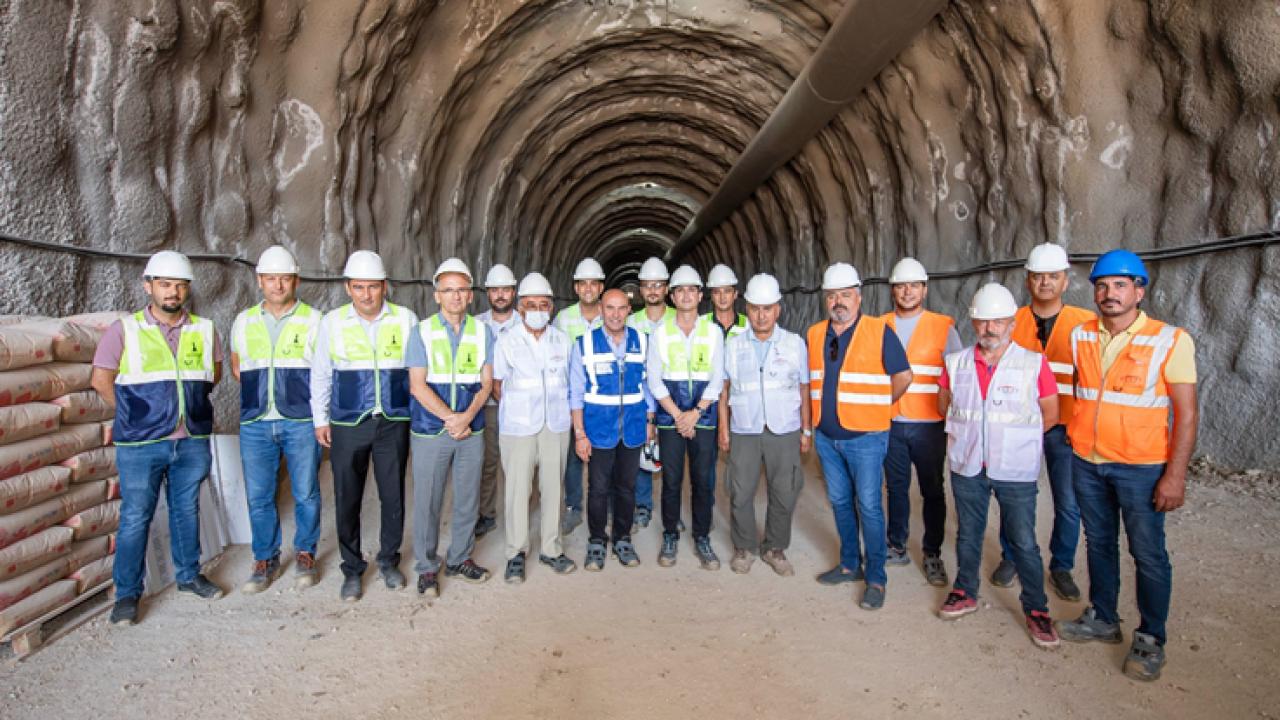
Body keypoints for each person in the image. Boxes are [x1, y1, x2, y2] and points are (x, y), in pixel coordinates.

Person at [1057, 250, 1198, 682]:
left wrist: (1175, 475)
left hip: (1141, 467)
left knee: (1148, 553)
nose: (1109, 293)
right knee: (1099, 543)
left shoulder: (1169, 340)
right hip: (1088, 461)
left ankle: (1151, 637)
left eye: (1120, 285)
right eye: (1102, 285)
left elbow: (1187, 414)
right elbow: (1084, 393)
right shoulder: (1081, 335)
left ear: (1139, 291)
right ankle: (1103, 617)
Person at [92, 251, 224, 626]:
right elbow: (101, 380)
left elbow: (212, 375)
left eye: (180, 285)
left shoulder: (205, 330)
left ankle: (189, 575)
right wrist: (134, 416)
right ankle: (127, 594)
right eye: (165, 284)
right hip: (141, 444)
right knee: (136, 517)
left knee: (186, 509)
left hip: (191, 438)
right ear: (148, 286)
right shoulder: (124, 330)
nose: (172, 292)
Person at [935, 283, 1061, 650]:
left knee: (1023, 541)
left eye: (998, 322)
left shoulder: (1032, 363)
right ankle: (965, 591)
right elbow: (944, 405)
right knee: (968, 534)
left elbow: (1050, 414)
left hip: (1014, 468)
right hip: (968, 463)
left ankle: (1036, 609)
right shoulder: (956, 363)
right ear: (973, 322)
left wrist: (1014, 441)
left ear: (1011, 324)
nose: (990, 329)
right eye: (983, 321)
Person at [311, 250, 417, 602]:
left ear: (385, 286)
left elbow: (417, 370)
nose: (366, 294)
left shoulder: (405, 319)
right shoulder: (332, 322)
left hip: (392, 421)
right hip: (348, 421)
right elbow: (321, 373)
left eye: (373, 286)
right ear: (348, 288)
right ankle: (352, 568)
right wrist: (320, 419)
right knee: (347, 495)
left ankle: (388, 560)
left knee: (393, 495)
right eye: (359, 287)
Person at [994, 242, 1096, 600]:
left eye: (1053, 276)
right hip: (1019, 424)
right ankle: (1012, 556)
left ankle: (1061, 566)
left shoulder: (1085, 324)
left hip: (1066, 426)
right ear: (1028, 280)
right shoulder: (1012, 321)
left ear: (1065, 281)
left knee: (1068, 501)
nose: (1045, 283)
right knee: (1016, 495)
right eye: (1038, 276)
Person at [808, 262, 912, 610]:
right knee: (840, 501)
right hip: (827, 435)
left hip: (866, 437)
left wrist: (879, 406)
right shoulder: (815, 334)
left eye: (845, 294)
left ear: (858, 297)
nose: (838, 301)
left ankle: (876, 578)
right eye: (832, 295)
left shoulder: (879, 331)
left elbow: (904, 376)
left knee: (869, 505)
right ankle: (849, 564)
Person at [230, 245, 323, 593]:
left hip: (300, 419)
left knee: (306, 492)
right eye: (271, 278)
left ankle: (305, 553)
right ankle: (265, 558)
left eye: (284, 278)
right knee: (259, 496)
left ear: (296, 280)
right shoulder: (244, 320)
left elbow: (324, 371)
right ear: (260, 281)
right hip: (256, 421)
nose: (278, 285)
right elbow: (237, 364)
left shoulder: (315, 320)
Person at [407, 258, 494, 597]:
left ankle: (459, 558)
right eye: (449, 290)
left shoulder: (482, 332)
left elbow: (486, 384)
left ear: (470, 295)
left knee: (467, 498)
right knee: (428, 500)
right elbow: (417, 386)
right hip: (431, 430)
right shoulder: (422, 331)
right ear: (437, 295)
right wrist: (451, 418)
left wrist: (466, 417)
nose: (456, 296)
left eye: (462, 290)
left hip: (471, 429)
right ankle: (427, 567)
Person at [718, 274, 810, 576]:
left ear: (777, 310)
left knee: (784, 490)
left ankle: (774, 548)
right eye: (755, 308)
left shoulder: (794, 344)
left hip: (784, 428)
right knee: (740, 491)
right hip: (745, 428)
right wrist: (724, 429)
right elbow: (724, 390)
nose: (761, 315)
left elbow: (804, 388)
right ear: (746, 309)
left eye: (767, 308)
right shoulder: (733, 345)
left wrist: (806, 429)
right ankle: (744, 547)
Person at [879, 258, 962, 587]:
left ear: (924, 290)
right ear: (893, 290)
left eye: (914, 285)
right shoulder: (879, 325)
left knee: (932, 490)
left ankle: (932, 552)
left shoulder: (943, 327)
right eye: (901, 285)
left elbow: (957, 375)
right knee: (896, 488)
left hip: (929, 424)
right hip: (892, 421)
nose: (907, 291)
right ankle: (897, 545)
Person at [492, 272, 577, 582]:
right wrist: (519, 407)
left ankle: (551, 549)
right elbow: (497, 384)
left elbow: (570, 382)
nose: (537, 311)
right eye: (530, 305)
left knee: (554, 487)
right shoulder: (507, 340)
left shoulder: (562, 341)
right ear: (520, 308)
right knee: (517, 490)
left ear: (551, 308)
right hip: (519, 426)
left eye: (543, 305)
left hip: (555, 424)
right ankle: (516, 552)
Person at [569, 289, 655, 571]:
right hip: (598, 429)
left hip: (632, 427)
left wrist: (650, 422)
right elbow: (576, 394)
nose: (616, 314)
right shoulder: (584, 344)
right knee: (598, 488)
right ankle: (596, 541)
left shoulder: (643, 342)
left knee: (627, 488)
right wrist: (580, 434)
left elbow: (649, 385)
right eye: (610, 308)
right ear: (601, 310)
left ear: (629, 309)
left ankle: (622, 538)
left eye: (621, 308)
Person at [649, 265, 725, 570]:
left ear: (700, 295)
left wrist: (695, 413)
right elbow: (654, 380)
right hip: (671, 418)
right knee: (671, 480)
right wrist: (679, 415)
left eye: (691, 290)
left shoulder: (713, 332)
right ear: (672, 296)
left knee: (703, 481)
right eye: (680, 290)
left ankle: (702, 537)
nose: (686, 295)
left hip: (702, 418)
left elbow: (717, 379)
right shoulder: (660, 333)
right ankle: (670, 535)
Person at [553, 257, 606, 535]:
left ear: (601, 287)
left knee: (604, 456)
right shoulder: (563, 319)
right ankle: (573, 507)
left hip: (602, 401)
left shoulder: (610, 315)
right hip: (571, 399)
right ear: (575, 288)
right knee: (573, 457)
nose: (588, 288)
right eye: (582, 283)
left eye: (593, 283)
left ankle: (605, 506)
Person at [627, 256, 675, 530]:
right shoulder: (631, 323)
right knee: (642, 453)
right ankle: (643, 505)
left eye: (658, 285)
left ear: (666, 288)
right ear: (641, 290)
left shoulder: (678, 318)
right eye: (647, 285)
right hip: (641, 399)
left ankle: (672, 510)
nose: (653, 290)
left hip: (673, 399)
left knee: (673, 456)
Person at [475, 263, 520, 539]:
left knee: (520, 464)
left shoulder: (527, 322)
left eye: (505, 289)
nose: (500, 295)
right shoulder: (476, 325)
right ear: (487, 293)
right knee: (488, 462)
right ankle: (486, 513)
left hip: (519, 406)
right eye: (495, 290)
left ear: (513, 292)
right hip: (488, 407)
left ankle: (519, 514)